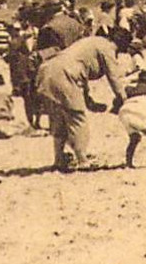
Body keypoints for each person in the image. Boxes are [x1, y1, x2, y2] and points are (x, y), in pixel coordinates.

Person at [35, 30, 133, 171]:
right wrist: (124, 99)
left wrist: (88, 100)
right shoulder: (107, 48)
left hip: (47, 71)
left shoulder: (92, 41)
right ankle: (82, 160)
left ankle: (58, 159)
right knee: (77, 118)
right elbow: (114, 78)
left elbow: (81, 72)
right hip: (64, 75)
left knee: (58, 120)